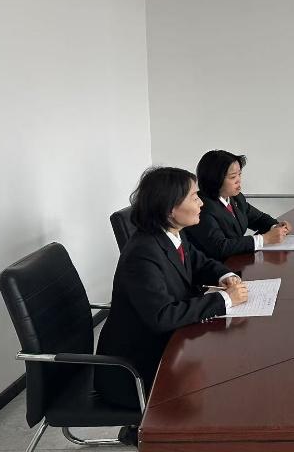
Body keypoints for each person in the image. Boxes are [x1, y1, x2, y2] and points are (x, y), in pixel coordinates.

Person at [95, 167, 248, 411]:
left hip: (166, 348)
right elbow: (163, 316)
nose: (202, 203)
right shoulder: (143, 254)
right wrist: (224, 300)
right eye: (194, 197)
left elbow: (198, 261)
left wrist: (226, 275)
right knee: (222, 391)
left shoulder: (171, 234)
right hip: (136, 370)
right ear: (170, 209)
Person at [186, 150, 290, 260]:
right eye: (233, 177)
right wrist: (264, 239)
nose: (238, 180)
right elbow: (220, 247)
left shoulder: (236, 197)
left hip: (236, 261)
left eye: (239, 174)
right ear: (215, 180)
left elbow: (258, 218)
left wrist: (277, 227)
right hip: (215, 266)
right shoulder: (201, 207)